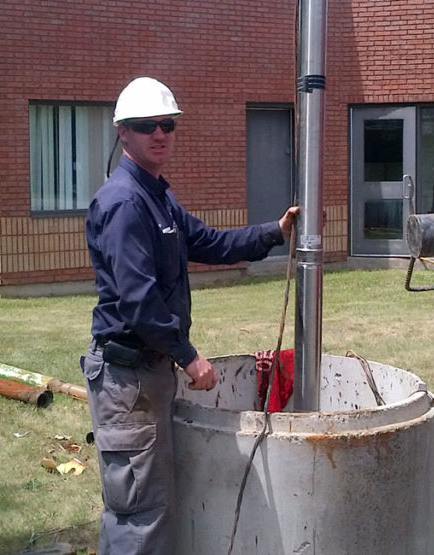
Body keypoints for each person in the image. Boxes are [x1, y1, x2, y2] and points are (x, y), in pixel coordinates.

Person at [81, 76, 298, 554]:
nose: (159, 134)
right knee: (139, 512)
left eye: (168, 125)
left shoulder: (158, 197)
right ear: (123, 132)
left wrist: (274, 232)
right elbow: (138, 300)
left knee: (145, 502)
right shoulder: (123, 203)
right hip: (128, 375)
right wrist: (188, 357)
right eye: (146, 126)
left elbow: (211, 243)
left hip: (143, 374)